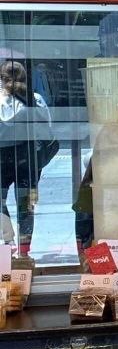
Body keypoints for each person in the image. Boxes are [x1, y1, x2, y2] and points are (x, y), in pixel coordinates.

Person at [0, 60, 55, 258]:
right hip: (29, 157)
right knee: (27, 204)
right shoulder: (35, 99)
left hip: (1, 157)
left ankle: (8, 241)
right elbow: (48, 128)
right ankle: (24, 251)